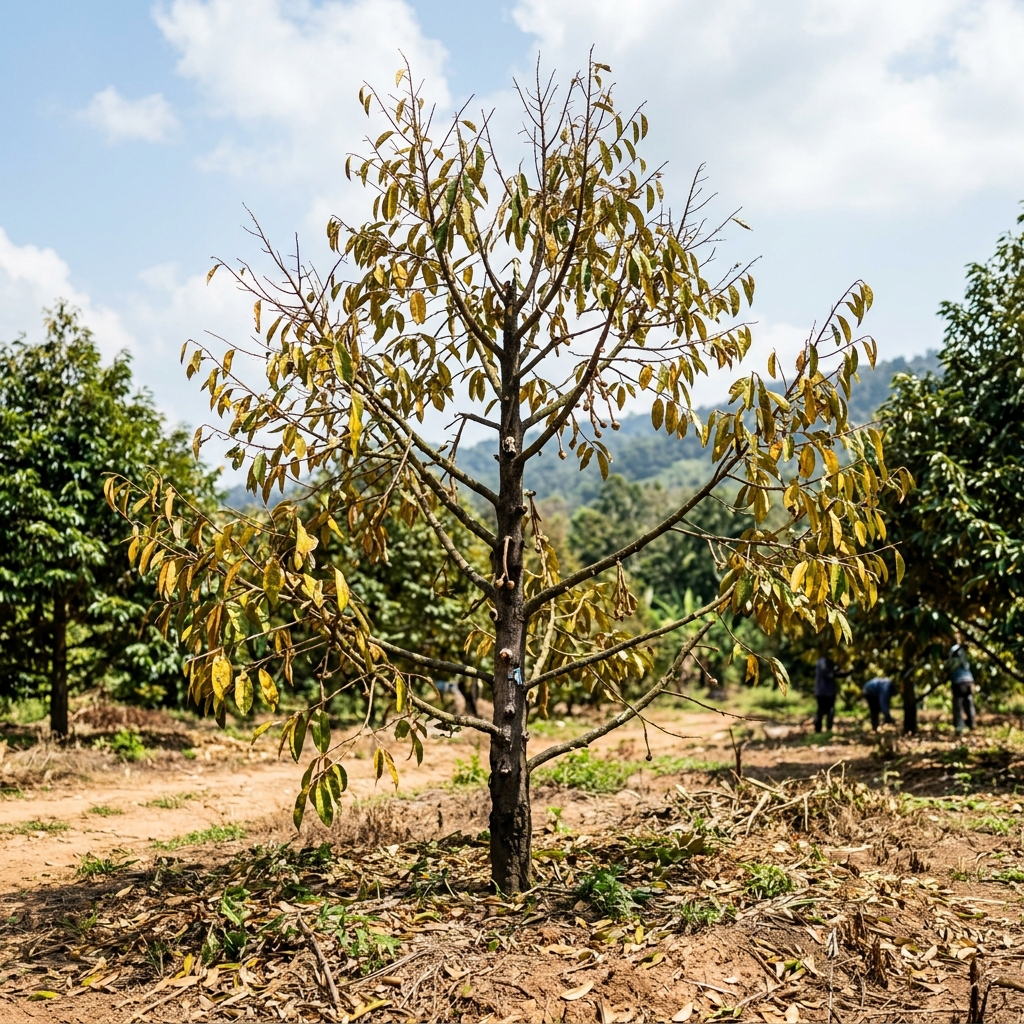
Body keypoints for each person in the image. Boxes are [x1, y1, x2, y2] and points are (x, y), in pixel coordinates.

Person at [948, 643, 976, 734]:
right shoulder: (964, 662)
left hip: (959, 683)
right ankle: (972, 724)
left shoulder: (953, 661)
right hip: (969, 682)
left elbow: (947, 668)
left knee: (958, 706)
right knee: (969, 703)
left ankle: (959, 727)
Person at [813, 656, 845, 732]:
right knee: (829, 710)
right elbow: (831, 673)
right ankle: (827, 728)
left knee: (821, 710)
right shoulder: (826, 663)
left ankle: (819, 729)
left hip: (820, 692)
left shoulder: (819, 662)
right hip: (828, 692)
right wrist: (847, 672)